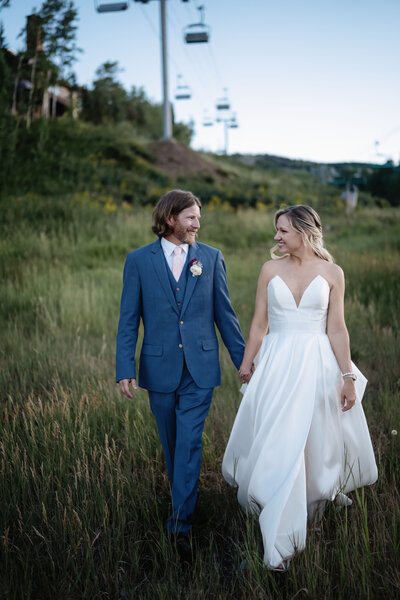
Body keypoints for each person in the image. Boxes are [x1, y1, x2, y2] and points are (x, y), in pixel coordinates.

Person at [222, 205, 378, 571]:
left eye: (283, 231)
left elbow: (337, 328)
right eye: (277, 230)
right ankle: (274, 507)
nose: (276, 237)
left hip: (317, 363)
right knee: (278, 436)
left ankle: (311, 508)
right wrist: (247, 361)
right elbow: (259, 323)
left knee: (314, 438)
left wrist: (347, 376)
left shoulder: (332, 273)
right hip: (277, 363)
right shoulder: (269, 270)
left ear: (305, 233)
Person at [116, 189, 245, 561]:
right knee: (172, 445)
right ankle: (183, 499)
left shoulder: (211, 258)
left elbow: (227, 317)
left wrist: (243, 363)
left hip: (200, 369)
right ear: (171, 218)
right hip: (157, 369)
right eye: (191, 217)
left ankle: (180, 527)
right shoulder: (138, 261)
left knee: (189, 443)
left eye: (198, 218)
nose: (197, 224)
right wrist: (125, 367)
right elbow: (128, 320)